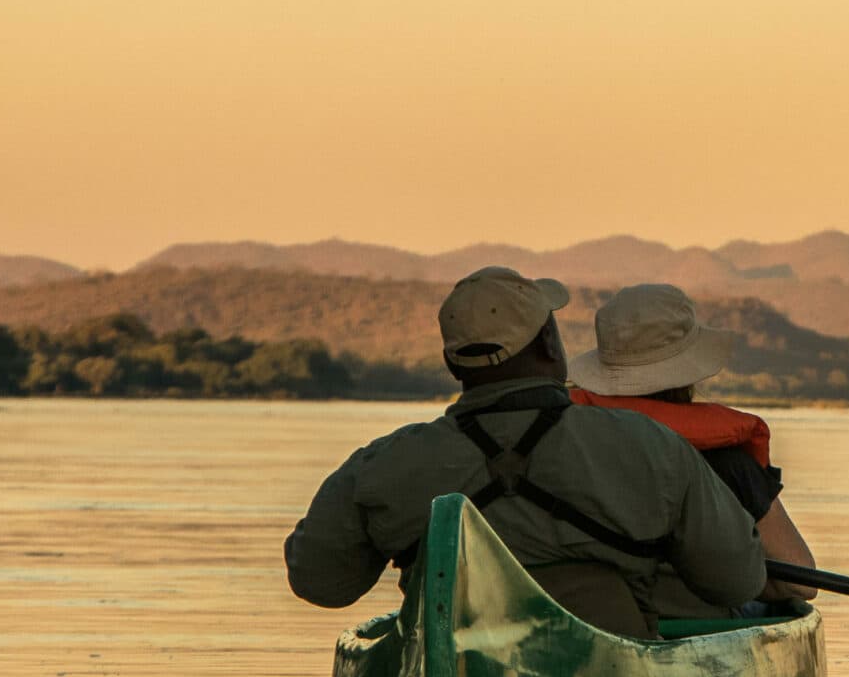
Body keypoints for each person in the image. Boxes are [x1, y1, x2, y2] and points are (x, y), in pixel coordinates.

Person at [283, 266, 766, 638]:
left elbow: (320, 583)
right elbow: (736, 582)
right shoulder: (656, 448)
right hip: (611, 666)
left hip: (456, 657)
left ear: (452, 363)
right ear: (551, 347)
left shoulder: (378, 466)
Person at [567, 282, 815, 615]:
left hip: (597, 612)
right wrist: (756, 582)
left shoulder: (566, 444)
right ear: (687, 378)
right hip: (695, 615)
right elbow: (800, 581)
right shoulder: (729, 465)